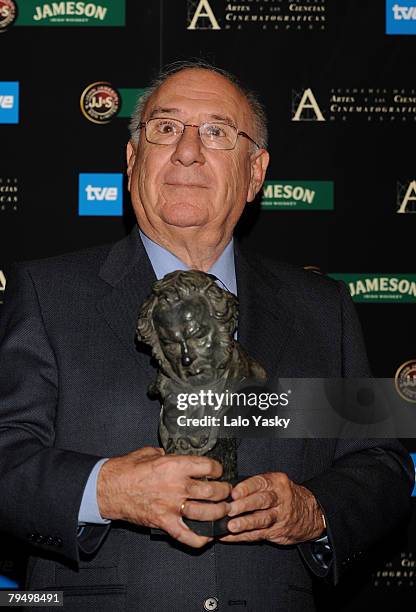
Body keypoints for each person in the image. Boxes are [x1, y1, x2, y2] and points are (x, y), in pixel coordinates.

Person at [0, 61, 413, 612]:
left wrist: (313, 510)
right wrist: (107, 491)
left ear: (255, 172)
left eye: (217, 132)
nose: (188, 151)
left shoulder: (321, 307)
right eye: (165, 128)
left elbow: (380, 466)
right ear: (131, 159)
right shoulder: (48, 294)